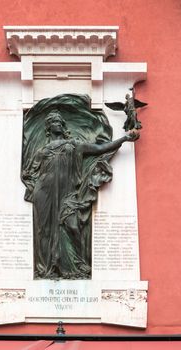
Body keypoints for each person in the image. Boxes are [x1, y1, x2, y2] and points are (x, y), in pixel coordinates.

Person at [22, 106, 139, 280]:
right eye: (54, 122)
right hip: (44, 192)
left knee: (73, 226)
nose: (58, 124)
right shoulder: (43, 151)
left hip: (68, 193)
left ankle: (74, 265)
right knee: (43, 230)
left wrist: (124, 138)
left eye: (60, 122)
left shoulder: (74, 145)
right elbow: (29, 173)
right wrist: (35, 187)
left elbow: (100, 148)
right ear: (48, 127)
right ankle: (46, 268)